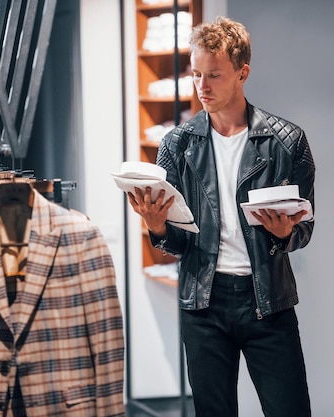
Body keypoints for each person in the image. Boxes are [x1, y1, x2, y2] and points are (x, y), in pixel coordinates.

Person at [127, 16, 315, 417]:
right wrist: (156, 225)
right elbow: (177, 242)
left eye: (213, 75)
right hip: (203, 303)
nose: (202, 86)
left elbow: (305, 228)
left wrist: (285, 233)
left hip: (267, 300)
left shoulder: (286, 140)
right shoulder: (177, 144)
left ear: (242, 72)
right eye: (195, 74)